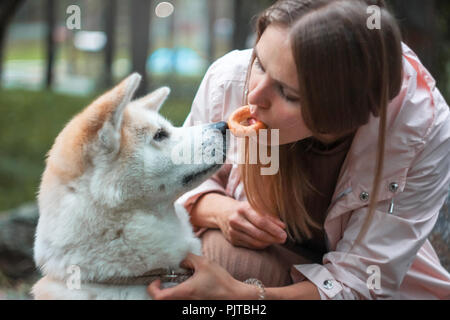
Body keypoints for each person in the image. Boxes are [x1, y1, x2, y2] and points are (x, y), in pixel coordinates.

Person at [147, 0, 450, 299]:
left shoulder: (421, 129)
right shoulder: (230, 79)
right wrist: (219, 211)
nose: (254, 95)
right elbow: (176, 177)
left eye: (287, 93)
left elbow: (362, 282)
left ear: (343, 111)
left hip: (341, 287)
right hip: (265, 256)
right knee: (212, 255)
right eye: (260, 63)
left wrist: (244, 296)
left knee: (223, 268)